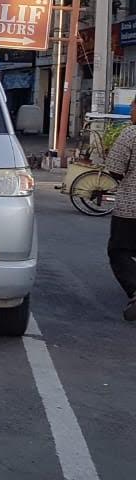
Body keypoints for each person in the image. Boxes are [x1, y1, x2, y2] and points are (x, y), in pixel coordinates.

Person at [102, 106, 136, 322]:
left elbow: (115, 169)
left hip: (131, 207)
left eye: (133, 108)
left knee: (119, 251)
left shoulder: (131, 134)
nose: (131, 112)